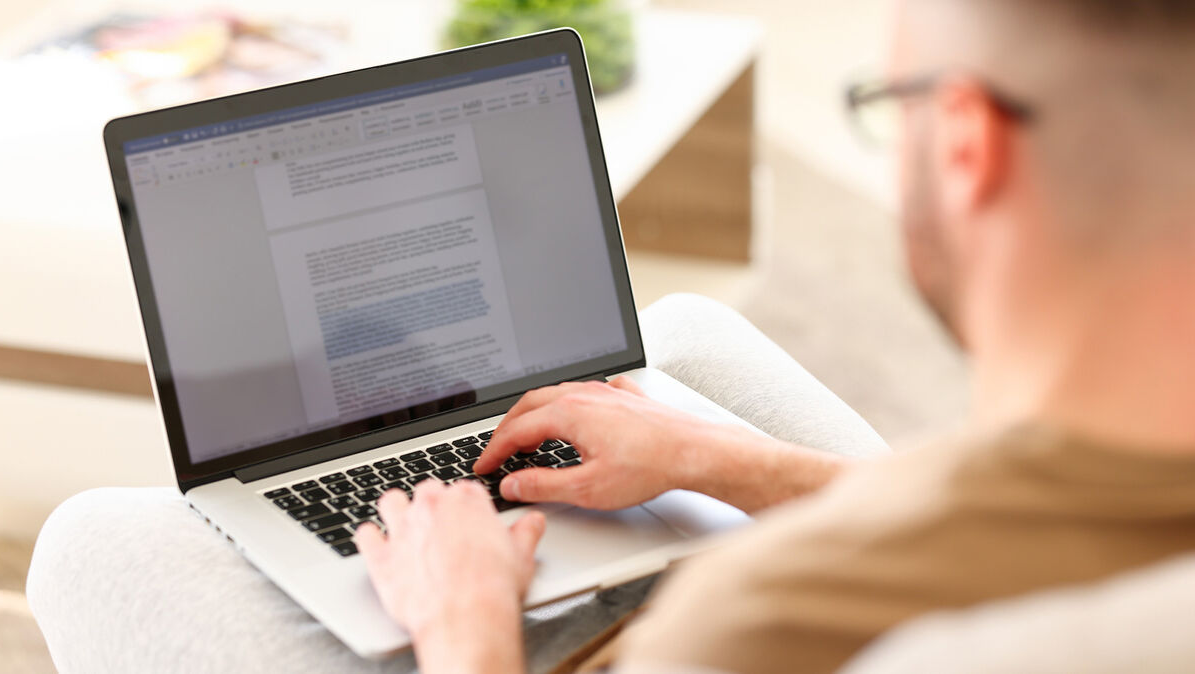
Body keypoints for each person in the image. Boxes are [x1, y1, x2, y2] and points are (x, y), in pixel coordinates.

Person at [353, 0, 1195, 672]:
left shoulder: (758, 626)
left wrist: (466, 627)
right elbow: (1045, 527)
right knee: (684, 331)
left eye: (894, 101)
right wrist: (716, 456)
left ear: (967, 145)